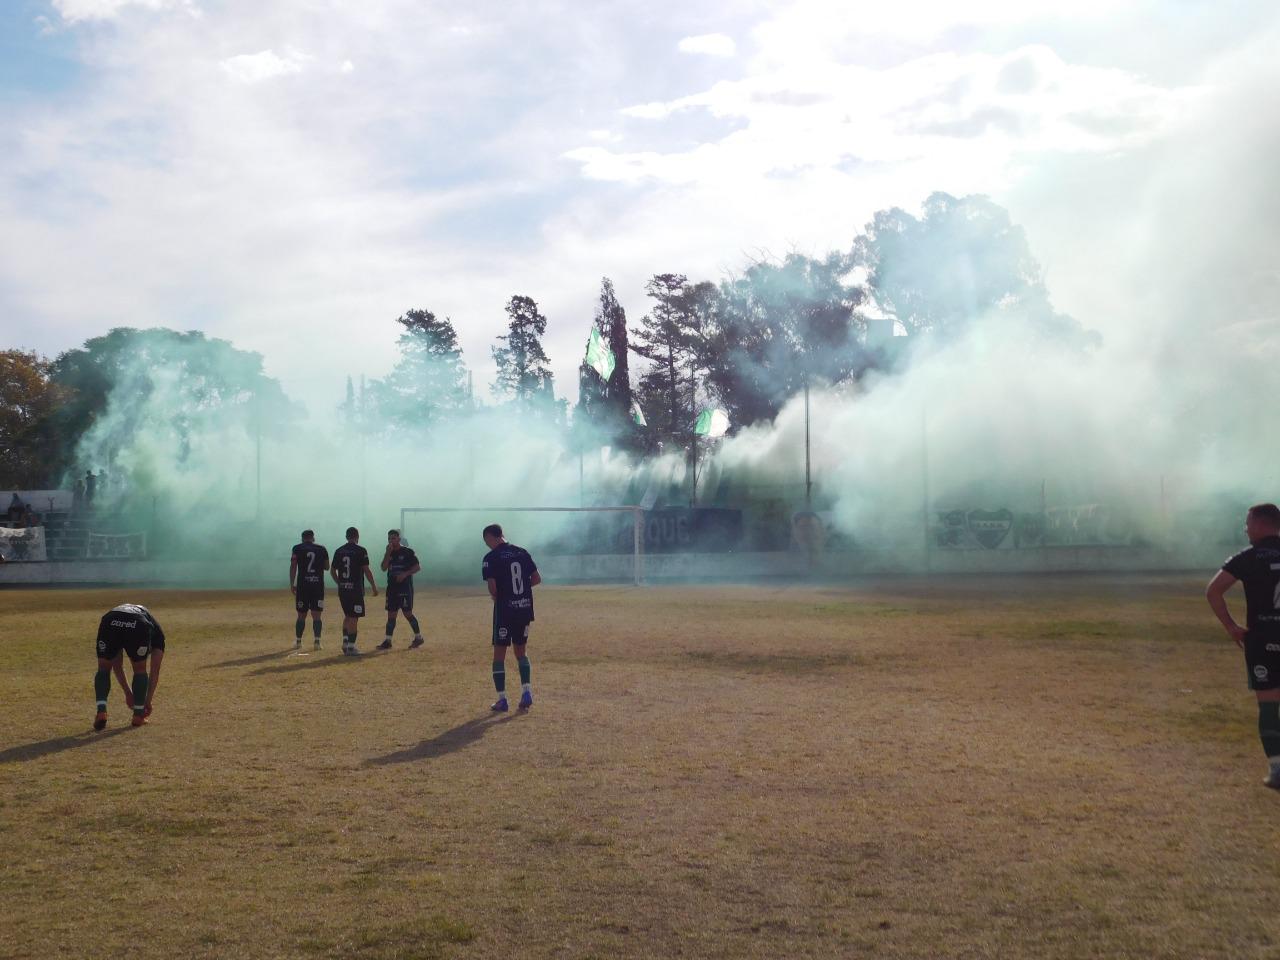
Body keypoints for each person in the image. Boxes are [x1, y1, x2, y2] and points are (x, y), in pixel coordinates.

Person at [1206, 503, 1280, 789]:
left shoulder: (1247, 557)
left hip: (1262, 641)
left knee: (1269, 706)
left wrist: (1231, 627)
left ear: (1261, 525)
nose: (1245, 528)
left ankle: (1277, 769)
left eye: (1248, 523)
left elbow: (1213, 591)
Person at [481, 523, 540, 712]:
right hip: (524, 608)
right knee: (521, 652)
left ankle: (502, 699)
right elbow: (537, 578)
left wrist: (504, 595)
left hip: (505, 611)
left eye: (486, 541)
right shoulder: (522, 552)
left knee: (499, 655)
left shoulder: (491, 558)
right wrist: (520, 592)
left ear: (490, 537)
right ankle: (527, 692)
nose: (487, 545)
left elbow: (493, 589)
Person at [93, 603, 165, 730]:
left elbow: (117, 663)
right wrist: (146, 701)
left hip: (110, 619)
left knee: (103, 667)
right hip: (137, 623)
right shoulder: (158, 637)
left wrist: (128, 692)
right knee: (139, 669)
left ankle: (101, 711)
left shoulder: (151, 626)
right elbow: (155, 671)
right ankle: (138, 715)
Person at [330, 526, 378, 655]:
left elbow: (332, 570)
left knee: (348, 616)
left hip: (343, 590)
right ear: (357, 536)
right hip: (355, 590)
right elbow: (366, 570)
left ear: (346, 537)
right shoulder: (361, 550)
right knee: (354, 618)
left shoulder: (339, 551)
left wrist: (339, 583)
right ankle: (351, 647)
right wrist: (373, 586)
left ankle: (345, 642)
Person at [378, 529, 424, 650]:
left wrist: (405, 574)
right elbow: (383, 567)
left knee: (407, 613)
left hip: (405, 587)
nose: (391, 541)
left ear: (399, 538)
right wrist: (387, 553)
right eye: (389, 539)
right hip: (392, 588)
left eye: (393, 538)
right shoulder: (389, 552)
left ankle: (419, 638)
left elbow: (418, 567)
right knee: (391, 615)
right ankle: (388, 641)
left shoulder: (407, 552)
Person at [289, 530, 330, 650]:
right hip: (317, 585)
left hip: (303, 585)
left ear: (302, 538)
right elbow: (327, 567)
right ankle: (317, 643)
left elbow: (293, 566)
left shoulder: (297, 548)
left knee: (301, 614)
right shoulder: (322, 549)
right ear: (313, 538)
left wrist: (292, 583)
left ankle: (298, 642)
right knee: (317, 615)